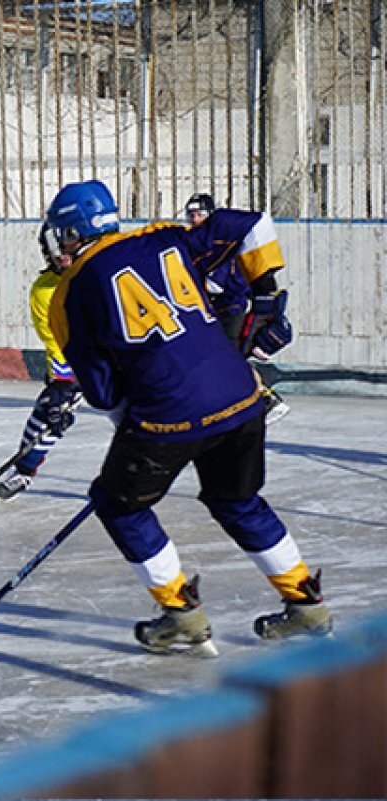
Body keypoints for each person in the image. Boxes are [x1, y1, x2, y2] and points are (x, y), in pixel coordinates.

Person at [46, 180, 330, 655]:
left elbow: (103, 391)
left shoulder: (69, 294)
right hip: (242, 396)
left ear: (72, 232)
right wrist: (265, 298)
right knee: (238, 501)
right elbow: (253, 224)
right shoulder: (164, 235)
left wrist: (133, 432)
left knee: (119, 505)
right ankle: (307, 605)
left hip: (168, 414)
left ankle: (182, 615)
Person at [0, 223, 83, 501]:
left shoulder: (98, 273)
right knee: (49, 410)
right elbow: (55, 341)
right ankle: (24, 472)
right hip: (83, 359)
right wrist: (63, 383)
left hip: (126, 355)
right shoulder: (43, 291)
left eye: (66, 246)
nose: (62, 255)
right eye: (55, 249)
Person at [185, 192, 291, 424]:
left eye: (199, 214)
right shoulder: (205, 244)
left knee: (225, 360)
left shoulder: (221, 244)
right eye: (191, 214)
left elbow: (214, 285)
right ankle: (260, 400)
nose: (194, 219)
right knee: (223, 360)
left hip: (232, 310)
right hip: (220, 311)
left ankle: (266, 400)